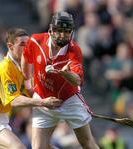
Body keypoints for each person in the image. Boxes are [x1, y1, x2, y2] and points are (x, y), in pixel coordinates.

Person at [0, 28, 63, 149]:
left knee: (45, 147)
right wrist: (43, 102)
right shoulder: (5, 68)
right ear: (10, 46)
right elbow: (14, 100)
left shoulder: (23, 66)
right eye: (22, 44)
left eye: (28, 44)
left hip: (3, 119)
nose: (26, 48)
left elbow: (30, 91)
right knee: (19, 147)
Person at [21, 11, 99, 149]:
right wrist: (27, 78)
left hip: (69, 101)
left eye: (67, 31)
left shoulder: (74, 50)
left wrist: (66, 74)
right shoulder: (36, 40)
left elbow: (77, 80)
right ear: (51, 30)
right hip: (43, 101)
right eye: (59, 31)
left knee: (87, 144)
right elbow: (25, 56)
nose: (63, 35)